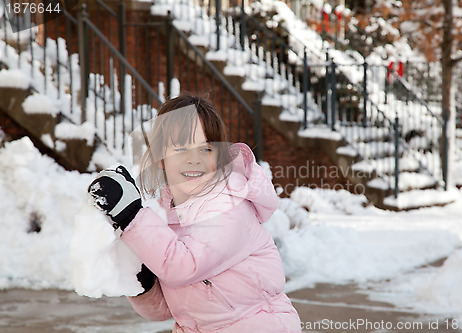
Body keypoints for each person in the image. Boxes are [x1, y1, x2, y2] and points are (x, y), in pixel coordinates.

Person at [87, 92, 302, 333]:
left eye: (206, 150)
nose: (194, 160)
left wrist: (131, 216)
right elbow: (167, 309)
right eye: (180, 149)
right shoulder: (170, 216)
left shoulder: (229, 205)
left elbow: (182, 267)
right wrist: (143, 283)